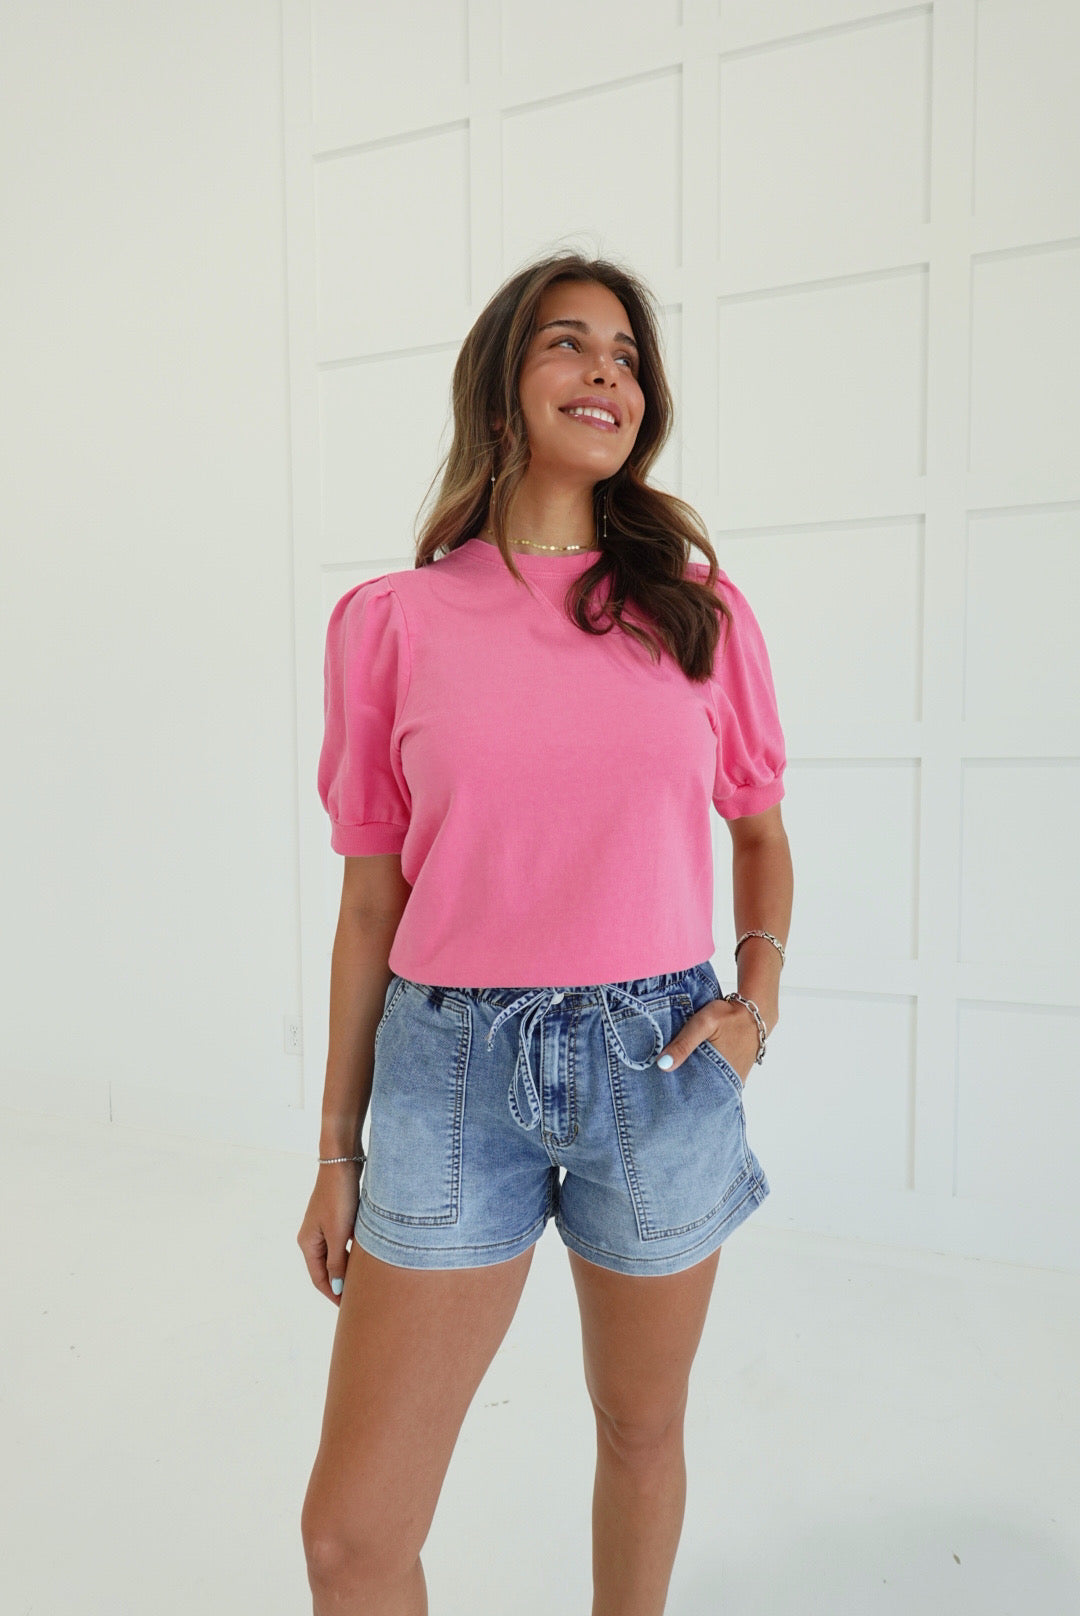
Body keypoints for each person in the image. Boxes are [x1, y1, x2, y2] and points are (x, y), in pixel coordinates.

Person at [296, 249, 794, 1616]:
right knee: (352, 1537)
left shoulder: (695, 609)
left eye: (628, 357)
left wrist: (752, 1009)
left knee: (640, 1431)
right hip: (448, 1077)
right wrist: (336, 1152)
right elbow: (369, 904)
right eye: (570, 343)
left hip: (661, 1061)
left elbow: (760, 834)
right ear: (503, 383)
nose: (606, 374)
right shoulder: (392, 623)